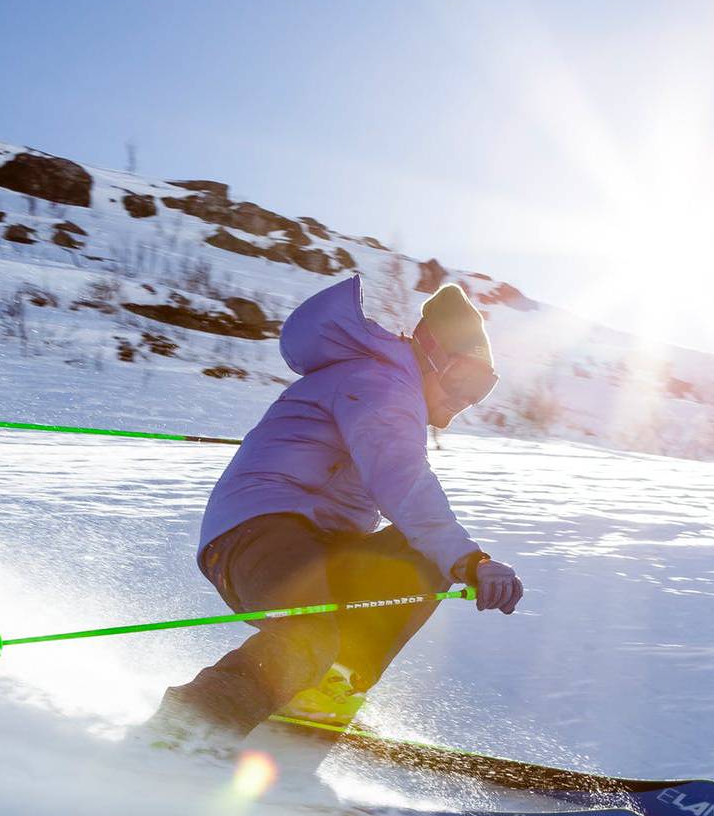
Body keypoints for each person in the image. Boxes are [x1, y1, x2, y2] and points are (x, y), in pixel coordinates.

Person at [144, 272, 524, 753]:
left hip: (316, 543)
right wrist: (471, 559)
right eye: (463, 380)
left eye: (481, 391)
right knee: (312, 631)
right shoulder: (383, 382)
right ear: (431, 354)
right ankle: (185, 731)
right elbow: (401, 479)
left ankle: (318, 703)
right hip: (256, 534)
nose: (464, 402)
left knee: (417, 554)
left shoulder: (384, 384)